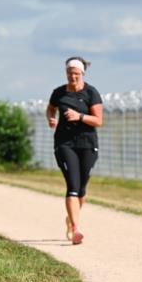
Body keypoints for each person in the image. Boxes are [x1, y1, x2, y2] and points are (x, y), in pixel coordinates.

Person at [46, 56, 103, 245]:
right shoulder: (59, 93)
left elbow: (98, 121)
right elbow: (50, 108)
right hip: (64, 143)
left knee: (81, 188)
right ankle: (76, 228)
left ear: (82, 74)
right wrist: (51, 119)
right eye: (70, 73)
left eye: (76, 74)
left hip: (87, 143)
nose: (73, 77)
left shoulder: (91, 93)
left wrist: (79, 116)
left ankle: (71, 219)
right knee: (72, 185)